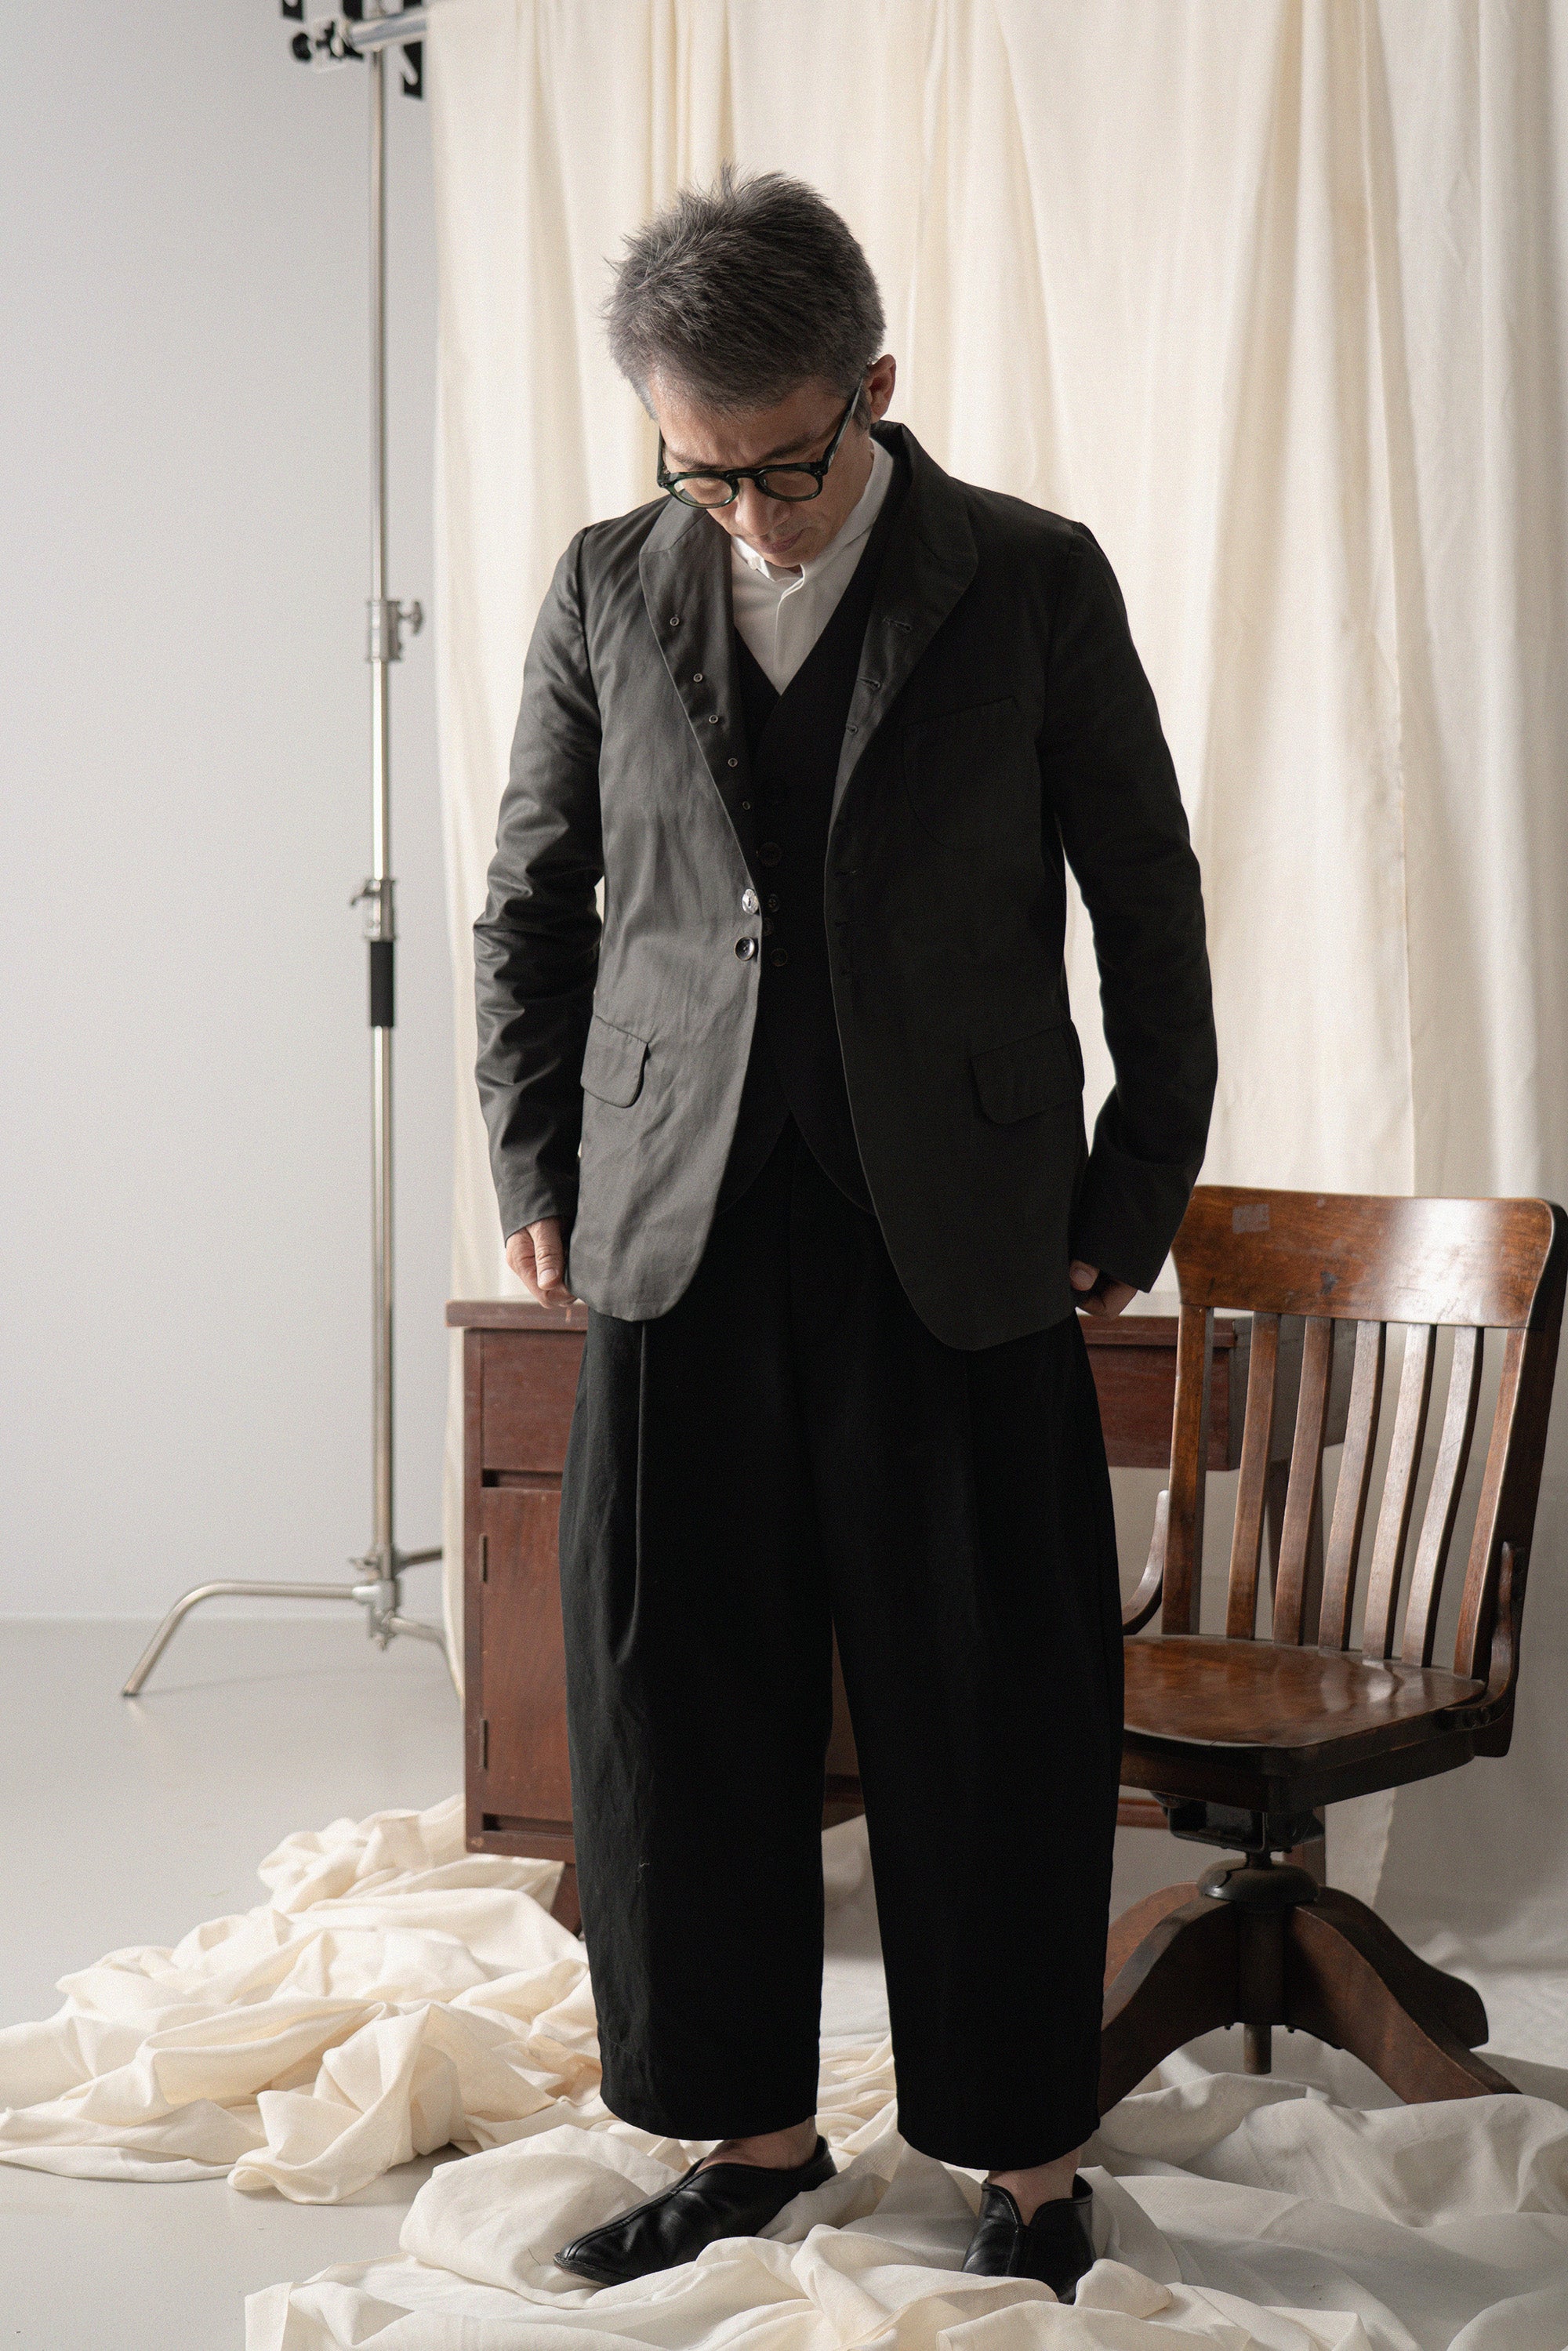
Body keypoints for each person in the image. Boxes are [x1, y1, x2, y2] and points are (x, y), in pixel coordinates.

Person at [474, 166, 1216, 2303]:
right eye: (700, 471)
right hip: (675, 1228)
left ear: (873, 386)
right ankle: (750, 2141)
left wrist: (1132, 1191)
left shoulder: (1031, 577)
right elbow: (531, 905)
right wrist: (541, 1169)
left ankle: (1027, 2160)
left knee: (991, 1699)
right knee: (675, 1701)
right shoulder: (607, 581)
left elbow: (1146, 897)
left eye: (785, 467)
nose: (750, 514)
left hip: (962, 1230)